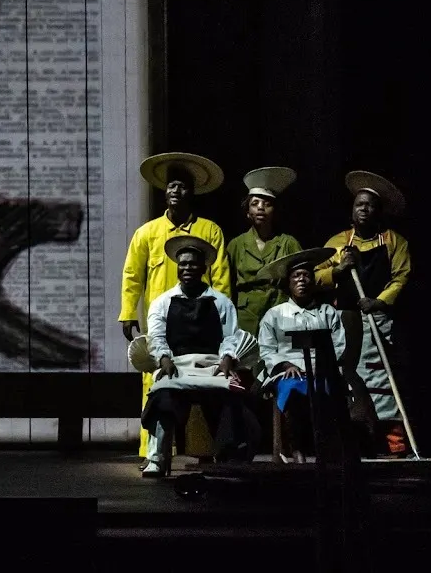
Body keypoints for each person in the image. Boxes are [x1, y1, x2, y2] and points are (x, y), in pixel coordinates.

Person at [120, 152, 231, 461]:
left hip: (201, 325)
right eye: (170, 185)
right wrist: (128, 313)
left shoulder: (210, 231)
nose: (174, 191)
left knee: (204, 382)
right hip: (162, 325)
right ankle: (153, 453)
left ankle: (206, 452)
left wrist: (221, 321)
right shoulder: (147, 233)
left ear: (191, 192)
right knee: (155, 383)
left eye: (181, 186)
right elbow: (132, 275)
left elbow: (221, 278)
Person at [133, 236, 258, 478]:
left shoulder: (221, 302)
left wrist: (226, 359)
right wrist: (164, 359)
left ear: (203, 268)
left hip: (211, 367)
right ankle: (157, 458)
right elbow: (156, 336)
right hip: (177, 366)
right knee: (162, 396)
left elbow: (231, 336)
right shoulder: (163, 302)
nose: (187, 268)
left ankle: (228, 457)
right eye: (183, 264)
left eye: (192, 264)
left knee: (230, 397)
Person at [314, 170, 413, 457]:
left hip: (378, 320)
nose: (364, 209)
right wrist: (339, 269)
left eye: (370, 204)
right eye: (359, 204)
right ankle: (356, 444)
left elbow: (401, 277)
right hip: (345, 320)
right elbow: (315, 276)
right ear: (352, 209)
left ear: (378, 210)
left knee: (384, 382)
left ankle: (394, 446)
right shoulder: (338, 242)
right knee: (349, 382)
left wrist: (379, 302)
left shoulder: (393, 241)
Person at [258, 246, 346, 460]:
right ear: (288, 283)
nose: (302, 280)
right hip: (289, 372)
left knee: (326, 393)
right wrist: (286, 365)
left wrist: (323, 366)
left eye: (306, 275)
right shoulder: (275, 314)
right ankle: (297, 449)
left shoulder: (327, 313)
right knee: (293, 390)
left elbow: (339, 345)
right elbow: (267, 349)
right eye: (296, 276)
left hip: (321, 371)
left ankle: (326, 450)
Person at [224, 167, 303, 338]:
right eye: (255, 204)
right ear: (247, 212)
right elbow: (226, 284)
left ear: (275, 211)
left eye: (267, 204)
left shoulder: (288, 243)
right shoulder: (236, 244)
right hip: (245, 315)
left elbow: (303, 277)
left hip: (279, 311)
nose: (261, 208)